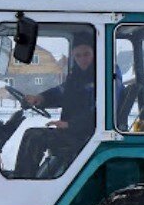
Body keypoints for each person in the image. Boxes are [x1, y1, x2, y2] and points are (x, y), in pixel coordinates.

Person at [14, 34, 96, 178]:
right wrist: (40, 98)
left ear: (95, 54)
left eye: (86, 54)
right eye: (78, 56)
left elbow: (99, 112)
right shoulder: (78, 77)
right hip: (75, 130)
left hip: (87, 134)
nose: (82, 59)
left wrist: (69, 124)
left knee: (34, 136)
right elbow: (61, 92)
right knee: (33, 134)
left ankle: (23, 182)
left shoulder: (104, 77)